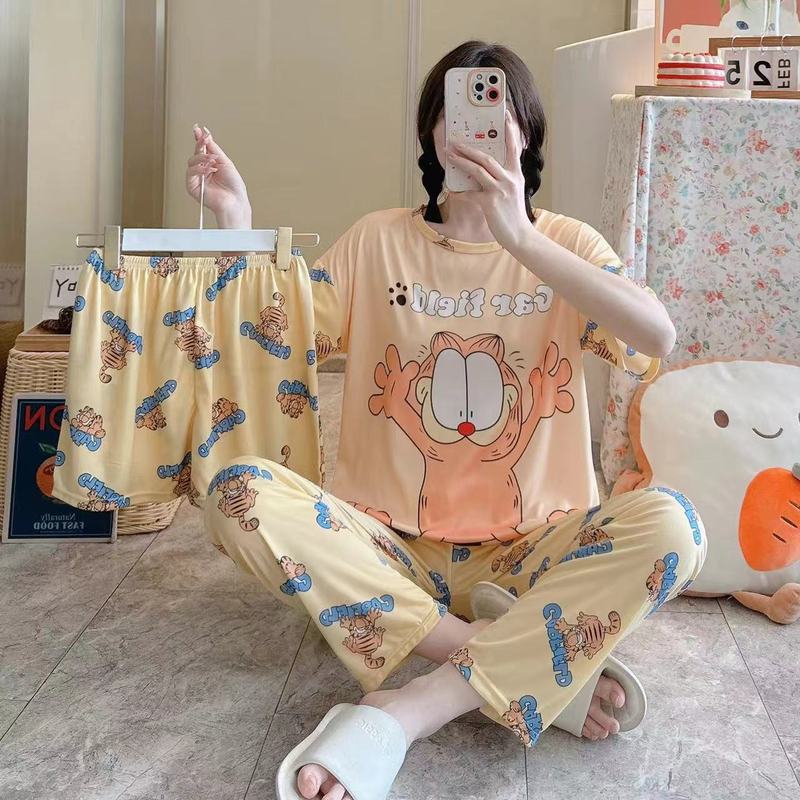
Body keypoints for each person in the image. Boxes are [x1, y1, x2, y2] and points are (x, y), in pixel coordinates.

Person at [188, 40, 706, 800]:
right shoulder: (377, 239)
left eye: (498, 113)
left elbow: (655, 337)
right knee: (235, 492)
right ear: (431, 134)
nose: (476, 131)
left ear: (526, 136)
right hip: (389, 548)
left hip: (535, 553)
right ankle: (521, 660)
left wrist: (519, 237)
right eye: (456, 112)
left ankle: (414, 708)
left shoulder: (565, 245)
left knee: (675, 528)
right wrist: (236, 221)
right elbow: (273, 335)